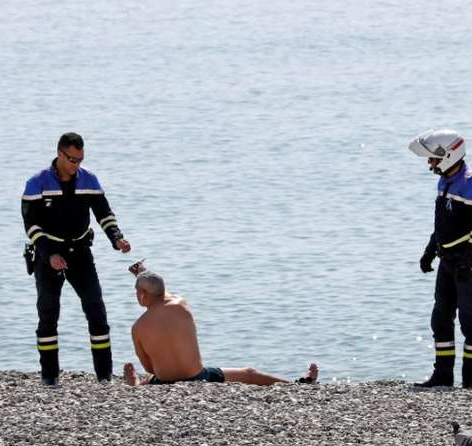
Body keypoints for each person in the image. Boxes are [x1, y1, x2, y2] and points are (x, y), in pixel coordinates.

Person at [21, 132, 132, 386]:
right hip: (48, 256)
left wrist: (117, 238)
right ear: (60, 154)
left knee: (97, 311)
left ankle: (104, 378)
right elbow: (31, 226)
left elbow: (104, 213)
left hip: (81, 254)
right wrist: (50, 254)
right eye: (72, 159)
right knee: (48, 316)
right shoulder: (36, 183)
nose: (76, 165)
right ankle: (50, 379)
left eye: (80, 160)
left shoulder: (89, 180)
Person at [123, 266, 318, 386]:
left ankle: (137, 384)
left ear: (142, 295)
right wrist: (143, 273)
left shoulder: (138, 328)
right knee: (249, 373)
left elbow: (151, 368)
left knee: (148, 377)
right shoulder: (181, 305)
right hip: (200, 378)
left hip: (164, 382)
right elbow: (163, 294)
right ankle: (296, 385)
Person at [408, 129, 472, 389]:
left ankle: (471, 381)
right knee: (440, 318)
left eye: (432, 159)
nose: (429, 164)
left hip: (468, 262)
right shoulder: (444, 181)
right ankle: (443, 375)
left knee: (470, 323)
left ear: (448, 155)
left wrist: (468, 262)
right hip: (447, 259)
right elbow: (442, 223)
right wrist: (430, 249)